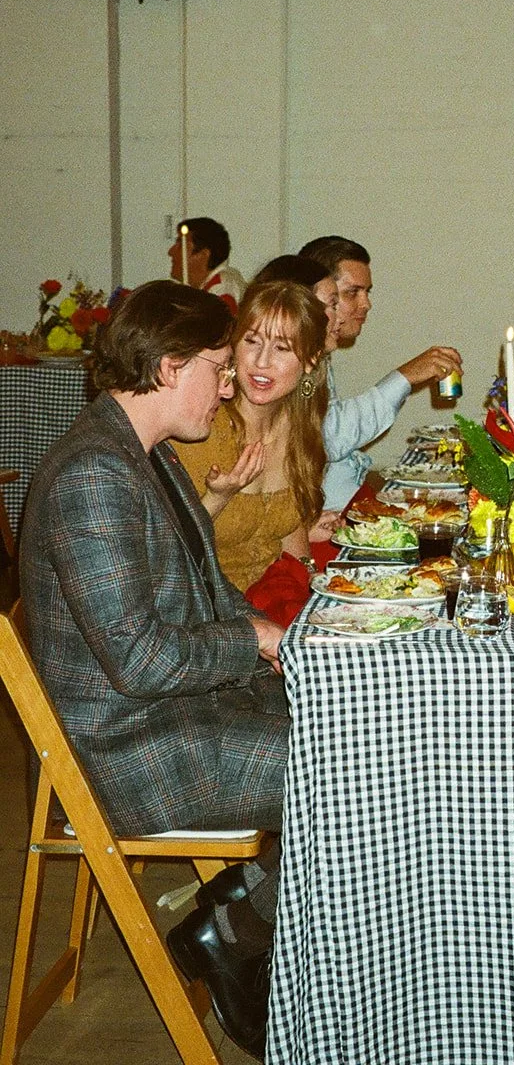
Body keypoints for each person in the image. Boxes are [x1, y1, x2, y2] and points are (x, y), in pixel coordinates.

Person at [19, 280, 287, 1058]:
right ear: (171, 367)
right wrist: (255, 642)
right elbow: (139, 661)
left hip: (178, 712)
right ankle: (249, 937)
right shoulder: (91, 476)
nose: (229, 385)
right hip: (134, 749)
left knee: (365, 729)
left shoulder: (146, 454)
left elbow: (205, 589)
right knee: (354, 768)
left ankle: (237, 913)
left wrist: (274, 640)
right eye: (218, 365)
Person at [174, 278, 333, 592]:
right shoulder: (201, 429)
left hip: (273, 598)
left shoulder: (300, 429)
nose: (261, 362)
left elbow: (291, 536)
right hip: (210, 605)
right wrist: (217, 498)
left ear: (311, 359)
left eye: (282, 348)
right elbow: (170, 554)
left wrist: (318, 589)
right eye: (252, 341)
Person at [299, 234, 462, 509]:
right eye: (353, 292)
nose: (366, 304)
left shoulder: (320, 352)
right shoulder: (294, 356)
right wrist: (404, 378)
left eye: (367, 292)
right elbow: (330, 437)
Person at [167, 216, 246, 313]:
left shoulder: (222, 288)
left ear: (203, 255)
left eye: (181, 245)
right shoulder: (205, 289)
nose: (171, 252)